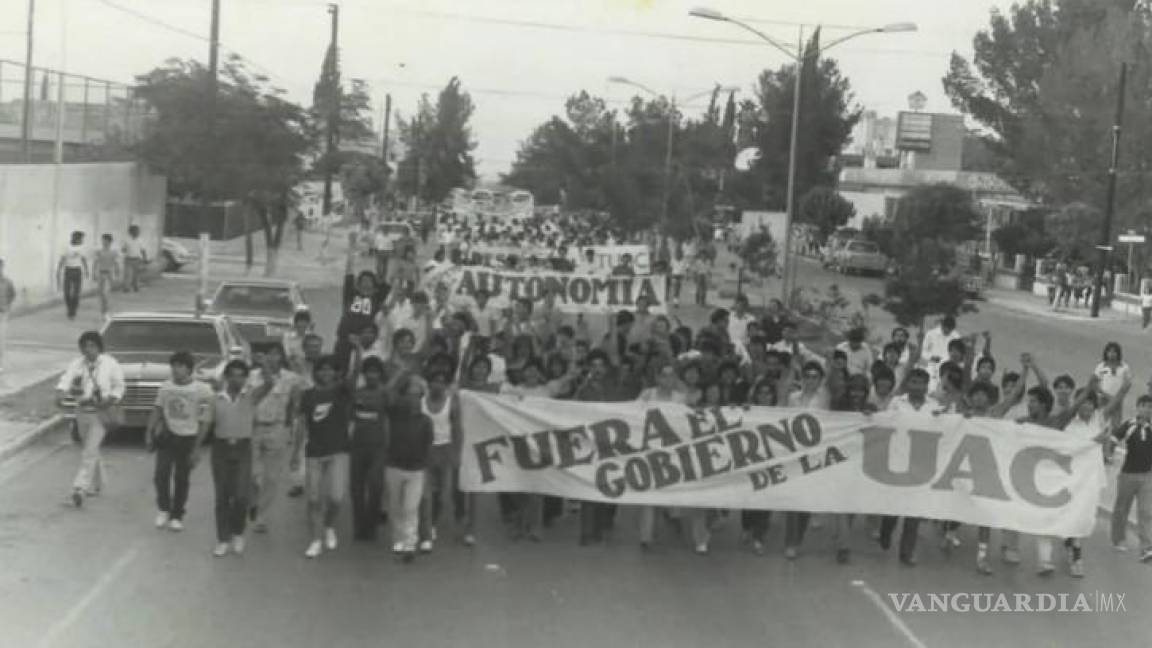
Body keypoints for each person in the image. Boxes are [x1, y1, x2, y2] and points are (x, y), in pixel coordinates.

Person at [292, 350, 359, 559]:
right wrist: (295, 452)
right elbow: (302, 425)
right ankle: (316, 540)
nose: (326, 373)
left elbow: (355, 374)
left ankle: (329, 525)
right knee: (313, 499)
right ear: (316, 372)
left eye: (330, 369)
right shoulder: (308, 395)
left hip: (339, 450)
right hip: (314, 452)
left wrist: (358, 351)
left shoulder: (342, 391)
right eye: (322, 369)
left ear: (335, 372)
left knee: (337, 497)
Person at [146, 351, 215, 532]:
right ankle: (163, 508)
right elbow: (158, 410)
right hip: (168, 435)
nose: (176, 370)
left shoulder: (202, 390)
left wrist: (197, 447)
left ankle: (177, 515)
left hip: (188, 438)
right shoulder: (166, 387)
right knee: (161, 474)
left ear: (189, 369)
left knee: (182, 478)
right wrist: (149, 432)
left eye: (180, 366)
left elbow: (205, 419)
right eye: (174, 366)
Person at [878, 368, 941, 566]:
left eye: (921, 383)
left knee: (914, 510)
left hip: (922, 464)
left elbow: (946, 428)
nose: (917, 386)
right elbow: (884, 424)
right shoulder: (897, 403)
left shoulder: (935, 406)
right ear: (908, 384)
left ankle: (906, 552)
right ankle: (886, 530)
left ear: (927, 385)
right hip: (897, 461)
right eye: (913, 382)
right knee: (893, 508)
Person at [56, 331, 124, 508]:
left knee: (89, 452)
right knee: (90, 449)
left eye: (92, 345)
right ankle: (98, 484)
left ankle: (79, 489)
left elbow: (119, 386)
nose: (88, 349)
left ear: (99, 347)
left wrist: (110, 400)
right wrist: (60, 393)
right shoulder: (77, 364)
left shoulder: (110, 364)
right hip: (81, 412)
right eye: (85, 346)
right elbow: (66, 380)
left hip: (100, 413)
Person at [210, 360, 270, 557]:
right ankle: (222, 539)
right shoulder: (216, 398)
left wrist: (265, 365)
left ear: (246, 378)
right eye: (233, 375)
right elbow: (206, 424)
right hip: (221, 448)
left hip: (243, 448)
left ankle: (237, 533)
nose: (237, 379)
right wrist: (195, 449)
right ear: (226, 377)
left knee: (241, 496)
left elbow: (269, 384)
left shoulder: (250, 397)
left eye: (241, 375)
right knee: (222, 497)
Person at [248, 344, 302, 533]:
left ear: (281, 357)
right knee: (251, 474)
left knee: (271, 477)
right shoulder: (252, 376)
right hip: (254, 427)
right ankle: (253, 501)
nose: (272, 358)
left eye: (276, 354)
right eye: (268, 354)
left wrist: (290, 429)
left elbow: (295, 405)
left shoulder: (291, 378)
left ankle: (262, 517)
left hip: (277, 427)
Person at [385, 377, 435, 563]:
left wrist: (426, 470)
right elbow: (389, 392)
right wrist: (401, 375)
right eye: (408, 395)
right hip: (394, 466)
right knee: (395, 506)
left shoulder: (426, 421)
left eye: (416, 395)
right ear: (402, 396)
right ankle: (398, 539)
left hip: (416, 470)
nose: (412, 399)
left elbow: (429, 447)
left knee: (410, 507)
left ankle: (410, 543)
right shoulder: (393, 414)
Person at [1110, 394, 1152, 563]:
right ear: (1138, 407)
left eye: (1150, 407)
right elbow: (1113, 438)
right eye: (1144, 406)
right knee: (1121, 510)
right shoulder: (1129, 425)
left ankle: (1146, 547)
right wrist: (1108, 452)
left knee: (1146, 512)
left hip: (1147, 477)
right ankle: (1118, 539)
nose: (1147, 409)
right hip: (1127, 475)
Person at [1095, 342, 1132, 464]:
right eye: (1109, 351)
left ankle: (1109, 453)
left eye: (1114, 351)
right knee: (1101, 426)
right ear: (1106, 353)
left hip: (1117, 401)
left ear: (1118, 353)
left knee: (1116, 429)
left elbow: (1127, 384)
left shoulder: (1124, 367)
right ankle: (1099, 453)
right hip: (1103, 400)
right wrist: (1107, 396)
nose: (1112, 354)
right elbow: (1096, 384)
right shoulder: (1101, 367)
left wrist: (1117, 399)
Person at [57, 231, 89, 320]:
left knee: (76, 293)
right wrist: (58, 271)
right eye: (80, 239)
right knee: (67, 293)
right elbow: (62, 259)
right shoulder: (66, 247)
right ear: (75, 238)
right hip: (68, 270)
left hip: (77, 271)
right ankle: (69, 308)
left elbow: (83, 259)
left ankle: (72, 311)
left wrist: (86, 271)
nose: (82, 241)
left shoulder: (82, 248)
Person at [92, 234, 120, 320]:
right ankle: (104, 311)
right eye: (102, 240)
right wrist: (94, 273)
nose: (103, 242)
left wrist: (117, 274)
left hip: (109, 274)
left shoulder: (114, 252)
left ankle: (106, 312)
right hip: (101, 274)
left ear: (109, 241)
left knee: (105, 294)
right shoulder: (99, 251)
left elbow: (116, 263)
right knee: (101, 294)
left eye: (105, 240)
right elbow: (95, 263)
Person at [0, 258, 16, 376]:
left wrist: (6, 307)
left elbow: (12, 295)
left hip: (2, 314)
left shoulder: (7, 282)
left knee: (1, 340)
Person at [121, 224, 148, 293]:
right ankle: (126, 288)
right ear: (131, 232)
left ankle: (136, 286)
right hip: (128, 259)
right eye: (136, 231)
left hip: (137, 259)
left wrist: (145, 259)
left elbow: (143, 250)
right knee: (127, 274)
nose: (138, 232)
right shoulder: (126, 240)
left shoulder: (140, 240)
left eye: (138, 231)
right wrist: (124, 249)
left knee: (136, 275)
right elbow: (123, 249)